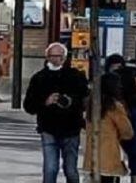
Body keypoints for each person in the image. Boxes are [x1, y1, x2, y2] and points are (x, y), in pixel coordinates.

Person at [23, 43, 88, 183]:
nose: (55, 59)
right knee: (50, 168)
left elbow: (84, 100)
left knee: (71, 170)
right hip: (48, 128)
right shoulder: (39, 78)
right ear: (47, 57)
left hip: (71, 129)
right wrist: (45, 102)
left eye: (59, 56)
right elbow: (29, 106)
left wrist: (69, 101)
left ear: (64, 58)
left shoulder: (75, 76)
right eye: (52, 56)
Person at [82, 73, 134, 183]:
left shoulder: (91, 105)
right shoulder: (114, 106)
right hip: (109, 159)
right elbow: (127, 132)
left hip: (91, 159)